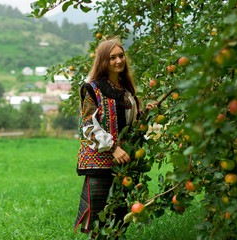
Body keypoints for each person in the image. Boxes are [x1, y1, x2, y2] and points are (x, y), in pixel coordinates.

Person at [74, 38, 155, 237]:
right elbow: (88, 125)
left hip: (125, 162)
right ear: (103, 61)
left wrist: (145, 113)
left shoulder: (127, 92)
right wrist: (112, 147)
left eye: (121, 56)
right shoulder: (92, 89)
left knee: (120, 213)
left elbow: (130, 125)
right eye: (112, 58)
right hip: (100, 161)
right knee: (99, 215)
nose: (119, 60)